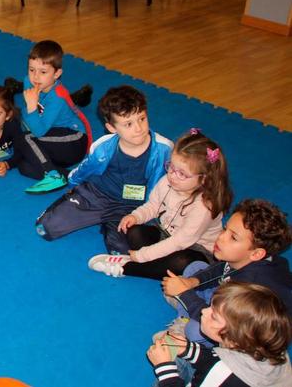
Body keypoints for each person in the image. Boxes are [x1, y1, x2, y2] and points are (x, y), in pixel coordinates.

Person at [34, 85, 173, 254]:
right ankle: (77, 207)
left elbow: (164, 187)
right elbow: (84, 170)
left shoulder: (164, 149)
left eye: (142, 119)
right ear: (112, 128)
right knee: (45, 228)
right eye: (128, 124)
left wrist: (147, 212)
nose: (138, 128)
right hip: (97, 195)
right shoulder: (103, 147)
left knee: (122, 251)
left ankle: (110, 224)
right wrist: (73, 183)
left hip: (133, 206)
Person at [88, 129, 232, 279]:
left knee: (182, 263)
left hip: (194, 249)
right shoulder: (168, 181)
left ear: (204, 179)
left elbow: (180, 242)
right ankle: (156, 265)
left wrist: (143, 255)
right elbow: (152, 206)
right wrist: (136, 216)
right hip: (166, 234)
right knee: (134, 232)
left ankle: (127, 268)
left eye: (182, 174)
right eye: (171, 166)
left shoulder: (204, 207)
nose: (172, 175)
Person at [160, 199, 292, 346]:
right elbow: (222, 269)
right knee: (196, 267)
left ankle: (183, 322)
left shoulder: (249, 290)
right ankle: (187, 304)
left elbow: (222, 326)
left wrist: (184, 293)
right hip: (230, 298)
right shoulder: (245, 259)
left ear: (256, 254)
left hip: (243, 331)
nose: (221, 237)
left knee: (195, 330)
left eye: (233, 237)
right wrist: (192, 282)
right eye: (225, 229)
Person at [148, 282, 292, 387]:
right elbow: (217, 357)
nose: (204, 311)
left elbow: (218, 367)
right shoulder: (262, 342)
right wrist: (188, 349)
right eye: (210, 306)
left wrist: (164, 367)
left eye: (214, 316)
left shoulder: (221, 374)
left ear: (233, 340)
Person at [3, 40, 93, 194]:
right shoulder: (27, 81)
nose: (35, 77)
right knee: (24, 166)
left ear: (57, 74)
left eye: (43, 72)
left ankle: (52, 175)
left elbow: (37, 133)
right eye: (32, 70)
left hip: (74, 142)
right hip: (53, 141)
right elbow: (29, 123)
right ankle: (74, 177)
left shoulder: (57, 97)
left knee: (27, 139)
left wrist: (31, 107)